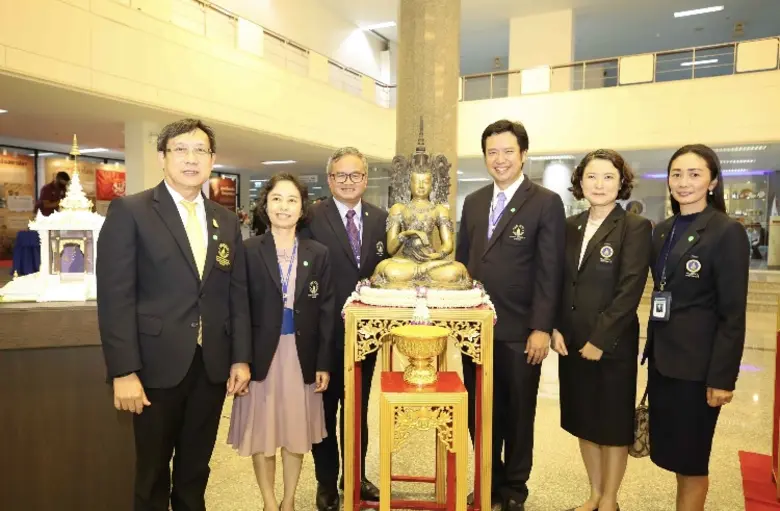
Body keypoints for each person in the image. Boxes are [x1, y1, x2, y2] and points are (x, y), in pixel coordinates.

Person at [96, 118, 252, 511]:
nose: (190, 158)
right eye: (180, 149)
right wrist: (123, 371)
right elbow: (115, 297)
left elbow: (235, 294)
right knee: (151, 475)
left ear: (213, 159)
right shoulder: (131, 211)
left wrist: (240, 357)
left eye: (200, 150)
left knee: (195, 470)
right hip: (152, 367)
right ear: (163, 158)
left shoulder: (226, 219)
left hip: (210, 366)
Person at [456, 119, 566, 511]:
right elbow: (462, 266)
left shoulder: (545, 202)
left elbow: (551, 270)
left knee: (518, 414)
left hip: (522, 331)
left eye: (507, 151)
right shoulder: (473, 201)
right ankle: (489, 481)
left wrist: (542, 327)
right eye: (492, 152)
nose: (499, 159)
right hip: (476, 330)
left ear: (523, 155)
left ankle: (515, 490)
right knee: (480, 413)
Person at [644, 144, 749, 511]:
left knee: (692, 461)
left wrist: (723, 378)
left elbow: (733, 312)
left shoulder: (726, 232)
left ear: (713, 181)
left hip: (698, 368)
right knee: (676, 457)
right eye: (677, 174)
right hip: (663, 362)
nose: (684, 182)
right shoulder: (663, 230)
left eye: (694, 174)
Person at [551, 150, 652, 511]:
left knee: (612, 426)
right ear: (580, 182)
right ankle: (593, 492)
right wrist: (556, 327)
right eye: (591, 176)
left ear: (621, 182)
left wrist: (600, 339)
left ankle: (610, 498)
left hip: (612, 345)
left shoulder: (636, 227)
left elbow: (630, 289)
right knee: (584, 420)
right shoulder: (569, 225)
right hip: (571, 341)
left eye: (608, 177)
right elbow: (560, 282)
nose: (599, 184)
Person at [228, 172, 333, 511]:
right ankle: (269, 503)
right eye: (276, 199)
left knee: (295, 432)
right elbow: (238, 308)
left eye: (291, 200)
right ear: (265, 205)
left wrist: (323, 363)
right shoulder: (248, 250)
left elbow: (327, 311)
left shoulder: (318, 253)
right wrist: (239, 359)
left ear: (302, 208)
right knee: (263, 433)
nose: (284, 207)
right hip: (262, 356)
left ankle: (288, 502)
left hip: (301, 355)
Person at [302, 147, 387, 510]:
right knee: (324, 410)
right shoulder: (311, 217)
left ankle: (354, 475)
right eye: (341, 175)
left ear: (365, 180)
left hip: (366, 335)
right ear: (329, 179)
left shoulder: (382, 218)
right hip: (322, 334)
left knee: (358, 409)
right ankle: (325, 481)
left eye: (355, 175)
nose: (348, 181)